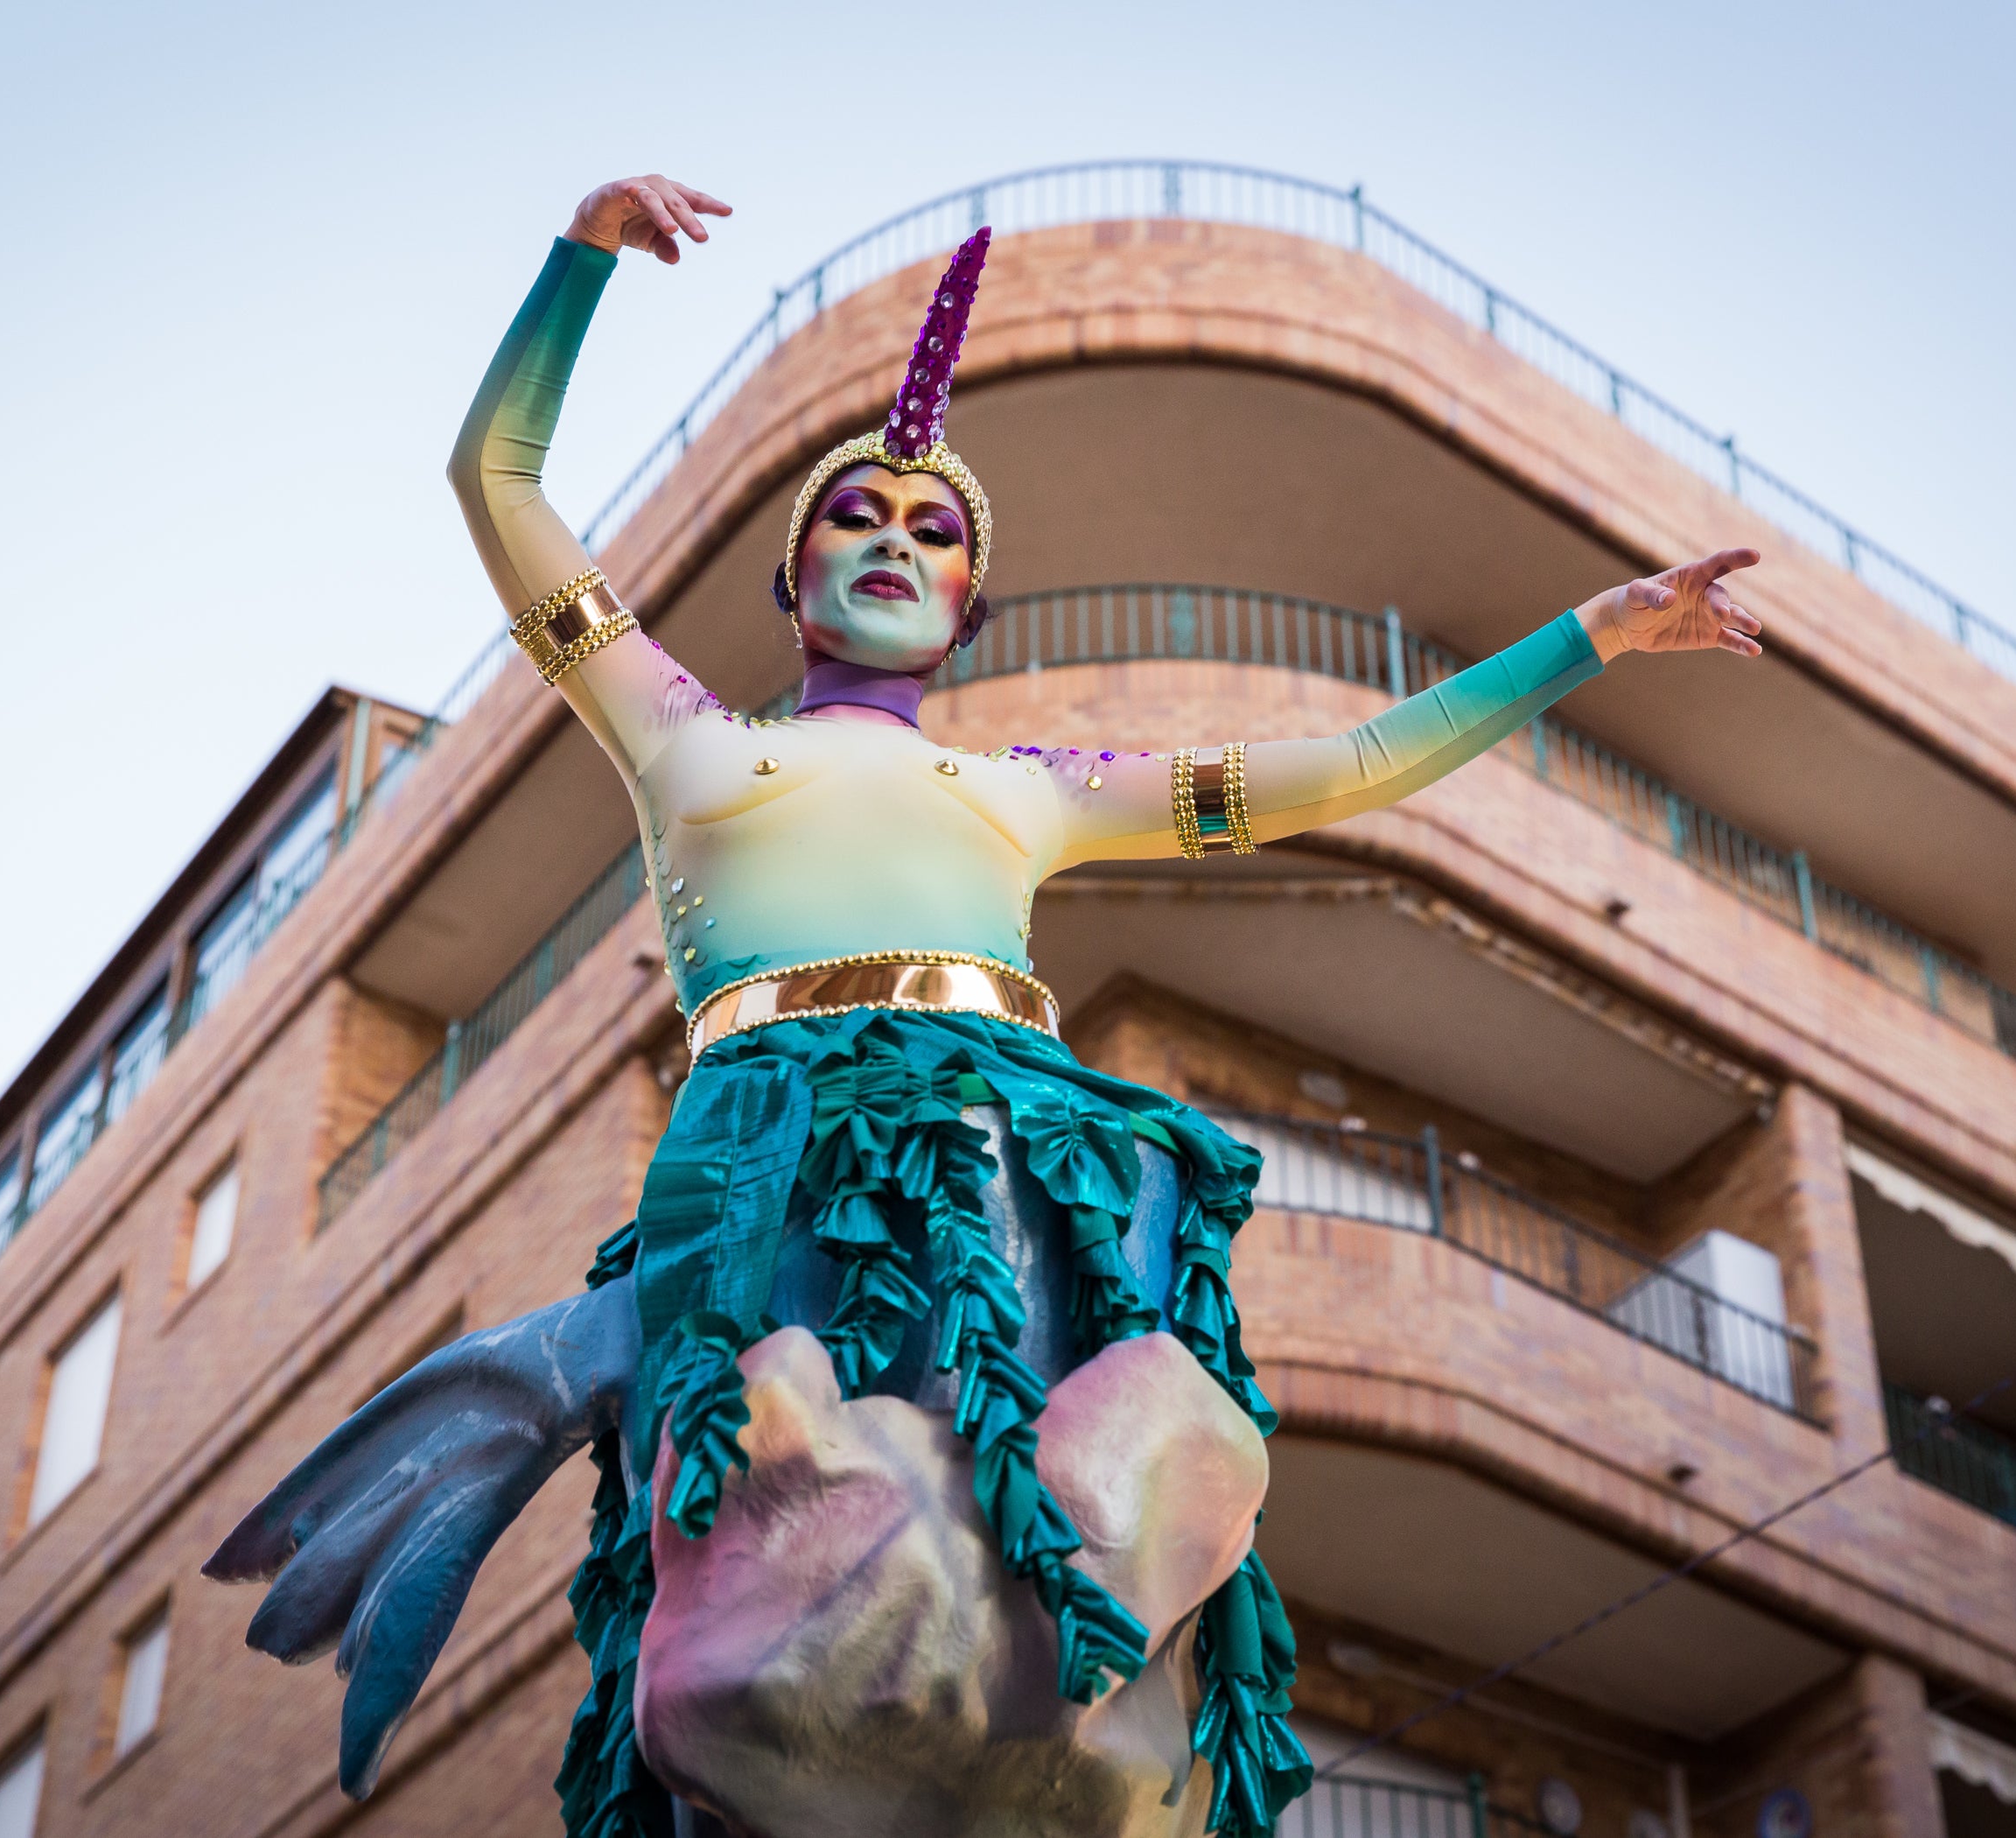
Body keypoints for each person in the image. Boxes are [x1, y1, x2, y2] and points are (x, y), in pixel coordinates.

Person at [206, 173, 1763, 1838]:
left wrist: (1588, 638)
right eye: (857, 520)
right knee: (770, 1521)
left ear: (966, 612)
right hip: (771, 1156)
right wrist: (581, 259)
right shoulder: (683, 737)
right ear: (794, 584)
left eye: (932, 532)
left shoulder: (1030, 789)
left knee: (1050, 1521)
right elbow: (495, 479)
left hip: (1019, 1165)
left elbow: (1350, 769)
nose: (892, 539)